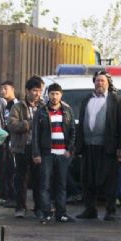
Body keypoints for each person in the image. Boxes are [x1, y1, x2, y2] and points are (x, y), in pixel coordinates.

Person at [74, 70, 121, 221]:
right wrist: (78, 146)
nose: (100, 83)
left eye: (103, 81)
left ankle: (111, 210)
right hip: (88, 146)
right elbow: (81, 123)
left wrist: (120, 147)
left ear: (108, 83)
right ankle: (90, 209)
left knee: (110, 180)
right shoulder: (86, 100)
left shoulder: (117, 101)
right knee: (87, 179)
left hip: (107, 147)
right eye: (97, 81)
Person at [32, 83, 76, 224]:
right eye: (52, 93)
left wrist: (69, 150)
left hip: (63, 154)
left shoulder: (68, 111)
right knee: (45, 185)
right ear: (48, 95)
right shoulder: (41, 112)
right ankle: (46, 213)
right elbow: (35, 134)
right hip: (46, 154)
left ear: (61, 95)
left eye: (57, 94)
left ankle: (61, 214)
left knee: (61, 185)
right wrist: (36, 153)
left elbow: (73, 132)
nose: (54, 96)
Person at [8, 76, 44, 218]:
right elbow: (11, 125)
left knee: (38, 178)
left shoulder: (43, 107)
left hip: (38, 149)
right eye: (34, 90)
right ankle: (20, 207)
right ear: (27, 91)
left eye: (39, 91)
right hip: (22, 147)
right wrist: (29, 123)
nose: (37, 94)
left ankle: (38, 208)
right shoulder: (18, 106)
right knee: (21, 179)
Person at [0, 80, 18, 208]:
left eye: (5, 88)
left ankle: (14, 197)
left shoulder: (16, 105)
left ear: (13, 89)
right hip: (5, 142)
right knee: (5, 170)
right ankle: (7, 195)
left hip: (13, 143)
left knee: (12, 171)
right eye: (1, 89)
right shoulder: (7, 105)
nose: (3, 91)